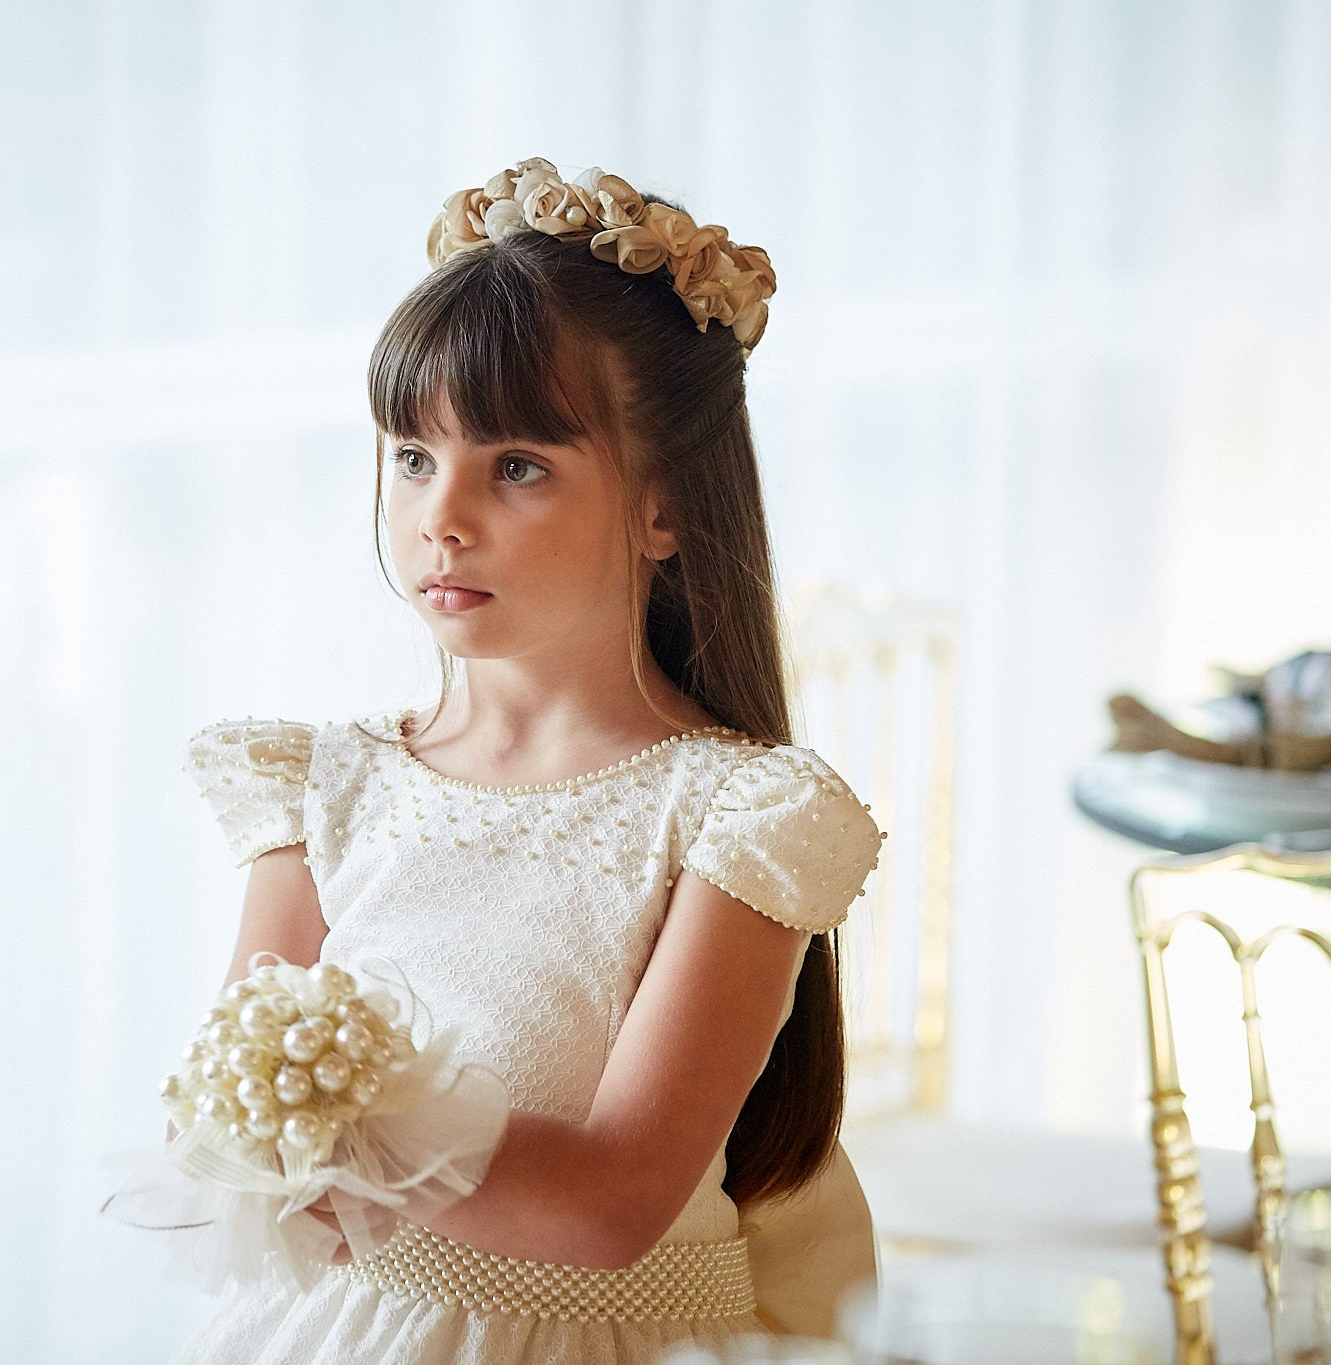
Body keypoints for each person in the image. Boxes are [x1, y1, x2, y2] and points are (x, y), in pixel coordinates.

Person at [171, 157, 884, 1363]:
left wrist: (332, 1140)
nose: (439, 515)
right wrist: (278, 1139)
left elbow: (608, 1203)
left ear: (664, 509)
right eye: (410, 455)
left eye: (515, 467)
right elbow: (230, 1124)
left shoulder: (732, 815)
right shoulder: (317, 791)